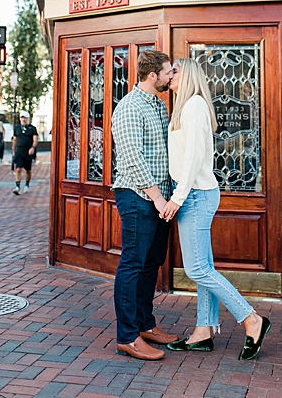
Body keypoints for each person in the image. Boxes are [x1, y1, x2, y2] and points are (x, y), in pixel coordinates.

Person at [160, 58, 270, 359]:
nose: (170, 75)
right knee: (203, 268)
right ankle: (203, 331)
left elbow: (193, 160)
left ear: (189, 75)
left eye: (175, 70)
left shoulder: (194, 106)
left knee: (197, 269)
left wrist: (176, 199)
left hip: (195, 195)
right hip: (193, 194)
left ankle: (252, 319)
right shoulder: (185, 107)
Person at [110, 49, 178, 361]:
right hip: (138, 197)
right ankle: (127, 337)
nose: (171, 76)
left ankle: (144, 324)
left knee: (152, 263)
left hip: (160, 199)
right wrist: (159, 198)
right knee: (133, 264)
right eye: (168, 72)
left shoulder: (159, 106)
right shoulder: (128, 107)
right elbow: (132, 158)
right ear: (152, 76)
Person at [12, 111, 38, 194]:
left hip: (28, 152)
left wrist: (33, 147)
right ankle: (17, 186)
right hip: (19, 151)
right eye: (22, 117)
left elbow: (35, 140)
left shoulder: (32, 129)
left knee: (28, 170)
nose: (23, 119)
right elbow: (15, 139)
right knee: (18, 168)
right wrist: (13, 150)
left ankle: (27, 184)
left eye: (25, 118)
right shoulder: (17, 128)